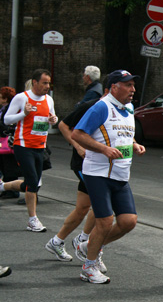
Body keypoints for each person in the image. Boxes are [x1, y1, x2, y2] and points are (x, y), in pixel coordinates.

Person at [72, 70, 146, 284]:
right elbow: (78, 134)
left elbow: (123, 135)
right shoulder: (101, 106)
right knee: (104, 221)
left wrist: (135, 145)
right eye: (128, 85)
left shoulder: (129, 108)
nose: (133, 89)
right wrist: (103, 149)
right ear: (114, 87)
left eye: (133, 85)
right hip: (98, 173)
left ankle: (91, 246)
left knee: (128, 221)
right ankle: (88, 267)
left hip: (121, 174)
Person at [43, 78, 109, 263]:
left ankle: (58, 241)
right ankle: (85, 242)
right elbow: (64, 125)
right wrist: (77, 146)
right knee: (102, 207)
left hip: (101, 165)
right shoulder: (92, 105)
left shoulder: (119, 110)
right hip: (84, 164)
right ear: (109, 89)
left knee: (82, 209)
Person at [0, 69, 58, 232]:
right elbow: (6, 119)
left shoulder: (49, 99)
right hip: (23, 145)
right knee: (32, 181)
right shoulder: (22, 98)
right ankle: (33, 220)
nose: (47, 86)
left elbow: (52, 118)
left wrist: (53, 119)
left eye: (49, 83)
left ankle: (3, 186)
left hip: (40, 146)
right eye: (44, 82)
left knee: (31, 184)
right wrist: (24, 113)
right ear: (35, 82)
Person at [0, 86, 21, 200]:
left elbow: (8, 124)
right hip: (4, 141)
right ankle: (7, 189)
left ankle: (12, 191)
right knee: (5, 165)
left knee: (9, 166)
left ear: (5, 98)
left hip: (7, 141)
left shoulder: (9, 109)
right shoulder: (3, 109)